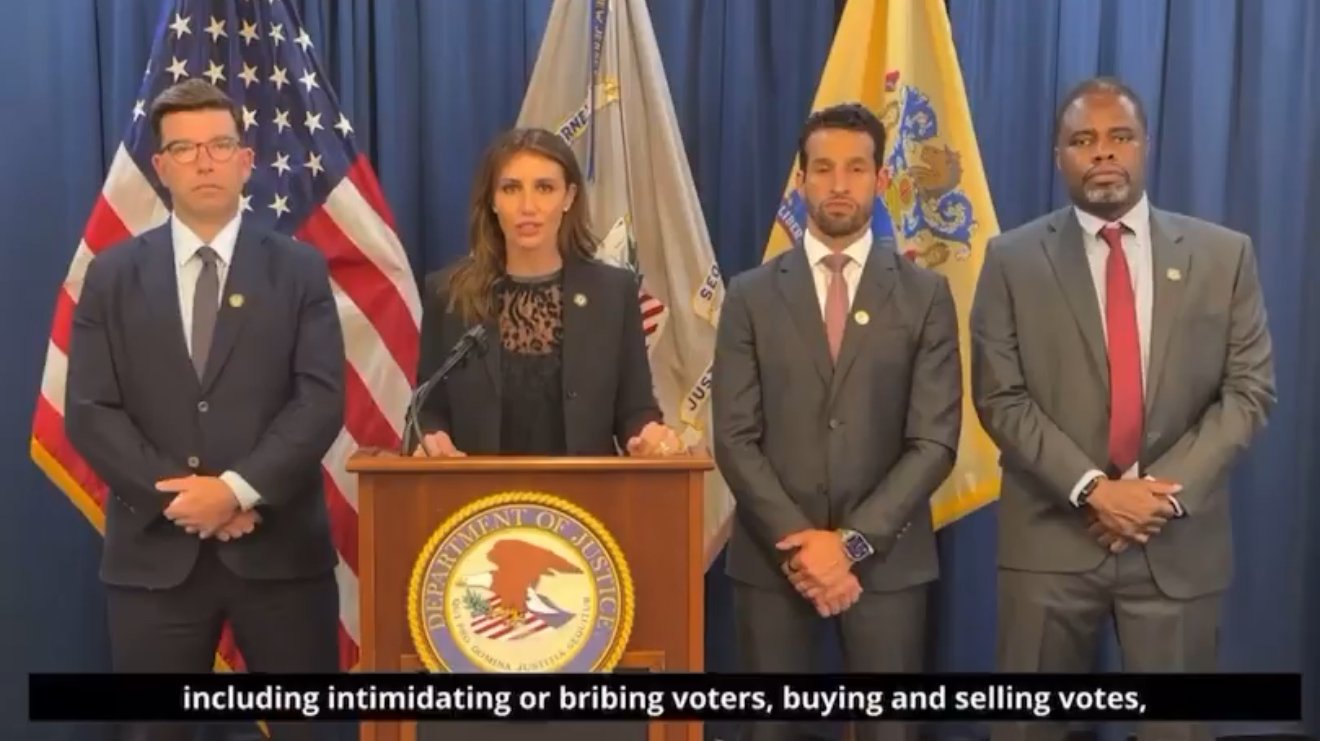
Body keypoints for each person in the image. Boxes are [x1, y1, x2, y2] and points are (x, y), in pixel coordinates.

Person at [970, 77, 1276, 741]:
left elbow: (1248, 389)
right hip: (1050, 543)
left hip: (1177, 545)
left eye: (1119, 137)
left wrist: (1155, 497)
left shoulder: (1224, 255)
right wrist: (1092, 490)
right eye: (1083, 140)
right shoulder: (1010, 260)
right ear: (1059, 157)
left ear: (1146, 147)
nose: (1102, 153)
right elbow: (1000, 394)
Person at [64, 80, 343, 741]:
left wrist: (237, 489)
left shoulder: (299, 269)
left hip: (280, 554)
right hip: (156, 557)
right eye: (184, 149)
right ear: (159, 168)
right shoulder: (112, 275)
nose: (205, 161)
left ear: (247, 159)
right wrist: (186, 499)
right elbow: (89, 409)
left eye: (220, 144)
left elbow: (320, 397)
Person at [712, 103, 962, 741]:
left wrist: (847, 546)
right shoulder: (750, 294)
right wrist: (803, 544)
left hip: (888, 563)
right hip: (774, 561)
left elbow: (934, 441)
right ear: (801, 182)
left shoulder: (925, 295)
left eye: (856, 169)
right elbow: (736, 438)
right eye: (823, 169)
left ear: (881, 181)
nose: (839, 184)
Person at [412, 127, 684, 458]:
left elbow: (635, 409)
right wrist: (429, 436)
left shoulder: (614, 293)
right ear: (492, 201)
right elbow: (429, 408)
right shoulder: (449, 295)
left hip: (584, 503)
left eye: (545, 188)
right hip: (483, 504)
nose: (528, 206)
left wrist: (647, 435)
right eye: (511, 188)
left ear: (569, 197)